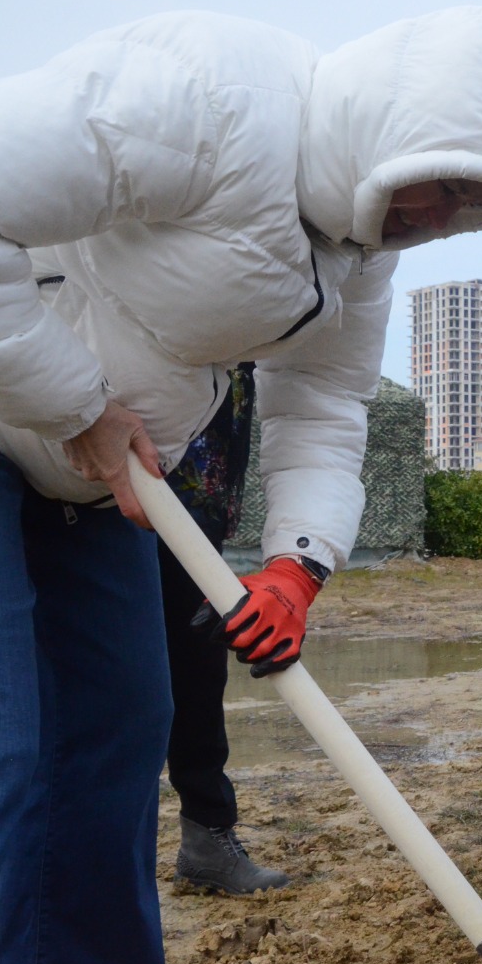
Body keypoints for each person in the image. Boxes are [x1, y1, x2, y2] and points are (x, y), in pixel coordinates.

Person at [0, 8, 482, 964]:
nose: (441, 213)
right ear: (394, 124)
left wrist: (296, 562)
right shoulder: (203, 94)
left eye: (475, 205)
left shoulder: (360, 245)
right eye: (444, 179)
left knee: (116, 738)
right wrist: (76, 403)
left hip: (92, 477)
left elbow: (323, 399)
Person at [160, 366, 291, 895]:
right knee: (103, 681)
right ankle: (22, 858)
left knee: (196, 664)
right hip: (94, 468)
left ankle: (207, 838)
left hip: (197, 489)